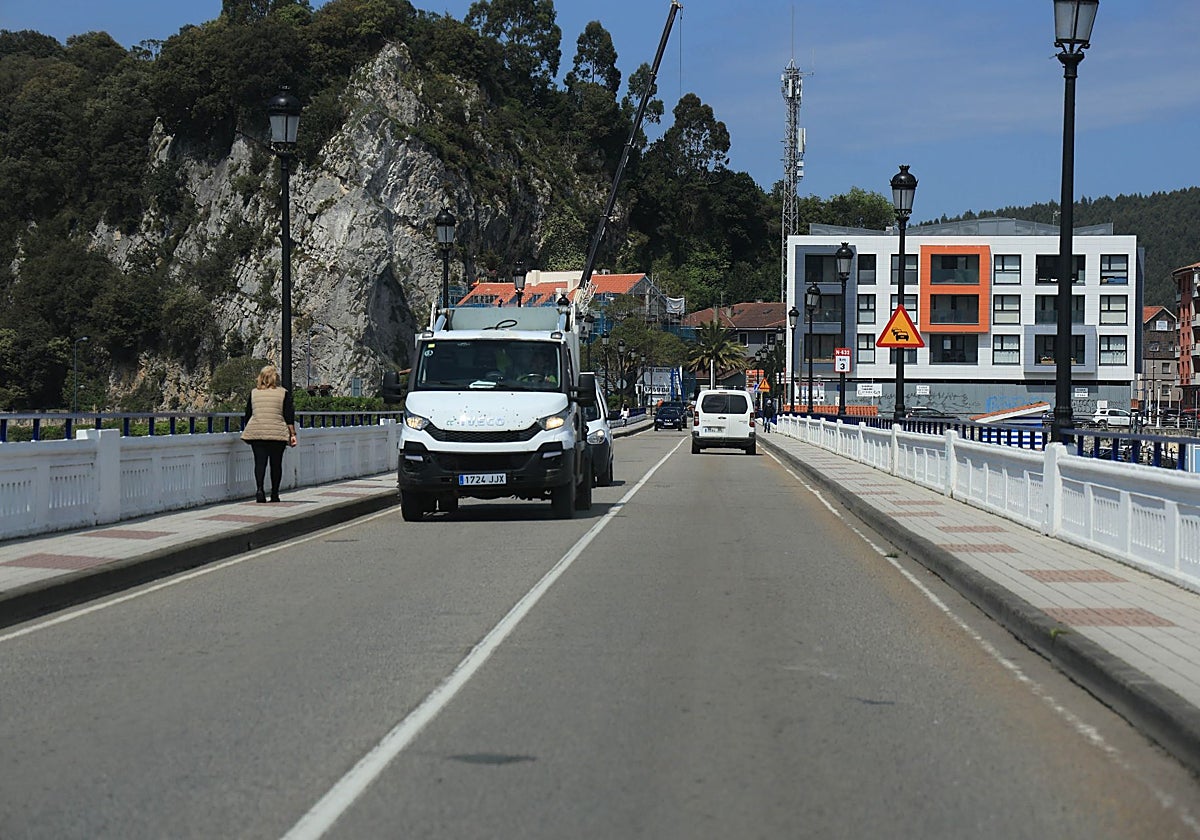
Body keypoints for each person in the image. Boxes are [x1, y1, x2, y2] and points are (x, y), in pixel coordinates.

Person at [241, 364, 297, 502]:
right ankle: (274, 493)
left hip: (257, 432)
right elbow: (288, 415)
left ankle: (260, 490)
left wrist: (249, 427)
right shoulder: (283, 393)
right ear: (274, 378)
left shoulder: (254, 393)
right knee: (276, 464)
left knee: (259, 463)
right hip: (277, 433)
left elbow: (248, 414)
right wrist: (293, 434)